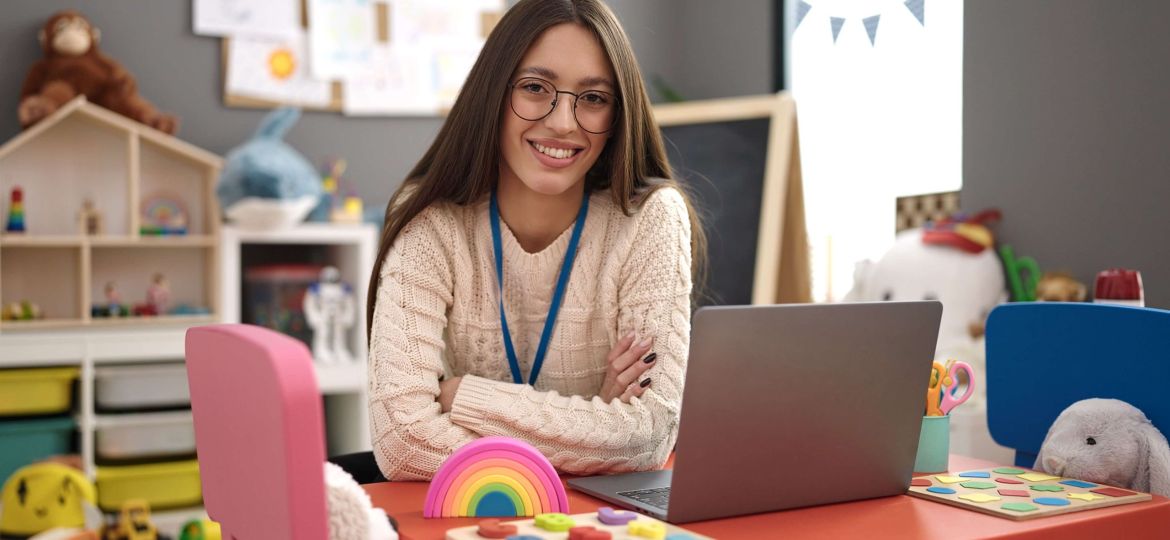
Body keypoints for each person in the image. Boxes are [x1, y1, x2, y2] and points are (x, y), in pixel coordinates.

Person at [365, 0, 707, 481]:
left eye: (593, 98)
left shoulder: (649, 219)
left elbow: (650, 434)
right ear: (492, 94)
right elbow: (402, 443)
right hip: (469, 517)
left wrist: (465, 398)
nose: (564, 122)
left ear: (617, 115)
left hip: (592, 519)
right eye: (534, 88)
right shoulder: (430, 222)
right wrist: (595, 428)